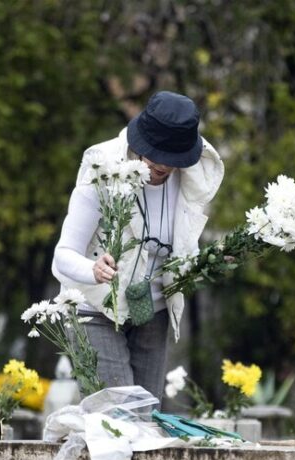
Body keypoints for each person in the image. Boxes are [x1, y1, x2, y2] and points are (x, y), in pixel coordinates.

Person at [51, 91, 225, 397]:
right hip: (95, 308)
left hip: (152, 312)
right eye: (158, 155)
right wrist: (94, 269)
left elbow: (182, 249)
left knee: (146, 421)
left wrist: (208, 261)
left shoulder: (188, 182)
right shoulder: (103, 169)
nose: (166, 166)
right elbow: (62, 256)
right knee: (118, 415)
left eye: (175, 159)